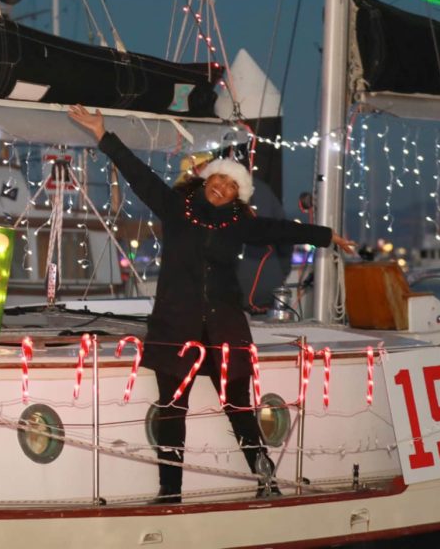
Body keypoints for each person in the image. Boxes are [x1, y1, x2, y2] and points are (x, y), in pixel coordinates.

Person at [68, 105, 355, 503]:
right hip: (175, 328)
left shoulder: (238, 224)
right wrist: (103, 134)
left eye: (232, 186)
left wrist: (327, 236)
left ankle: (265, 479)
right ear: (207, 178)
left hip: (225, 330)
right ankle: (170, 492)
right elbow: (139, 176)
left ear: (238, 196)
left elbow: (282, 229)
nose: (222, 188)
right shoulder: (175, 208)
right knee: (171, 409)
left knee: (239, 407)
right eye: (219, 179)